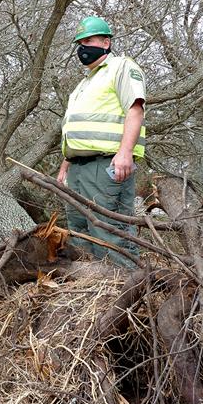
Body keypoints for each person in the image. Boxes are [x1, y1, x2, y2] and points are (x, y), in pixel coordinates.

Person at [56, 16, 146, 267]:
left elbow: (135, 109)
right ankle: (91, 292)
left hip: (107, 165)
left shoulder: (121, 67)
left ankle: (124, 287)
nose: (82, 47)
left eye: (88, 41)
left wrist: (125, 153)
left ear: (106, 42)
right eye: (79, 42)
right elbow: (78, 131)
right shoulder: (84, 83)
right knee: (79, 230)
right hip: (78, 168)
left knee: (109, 230)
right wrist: (65, 166)